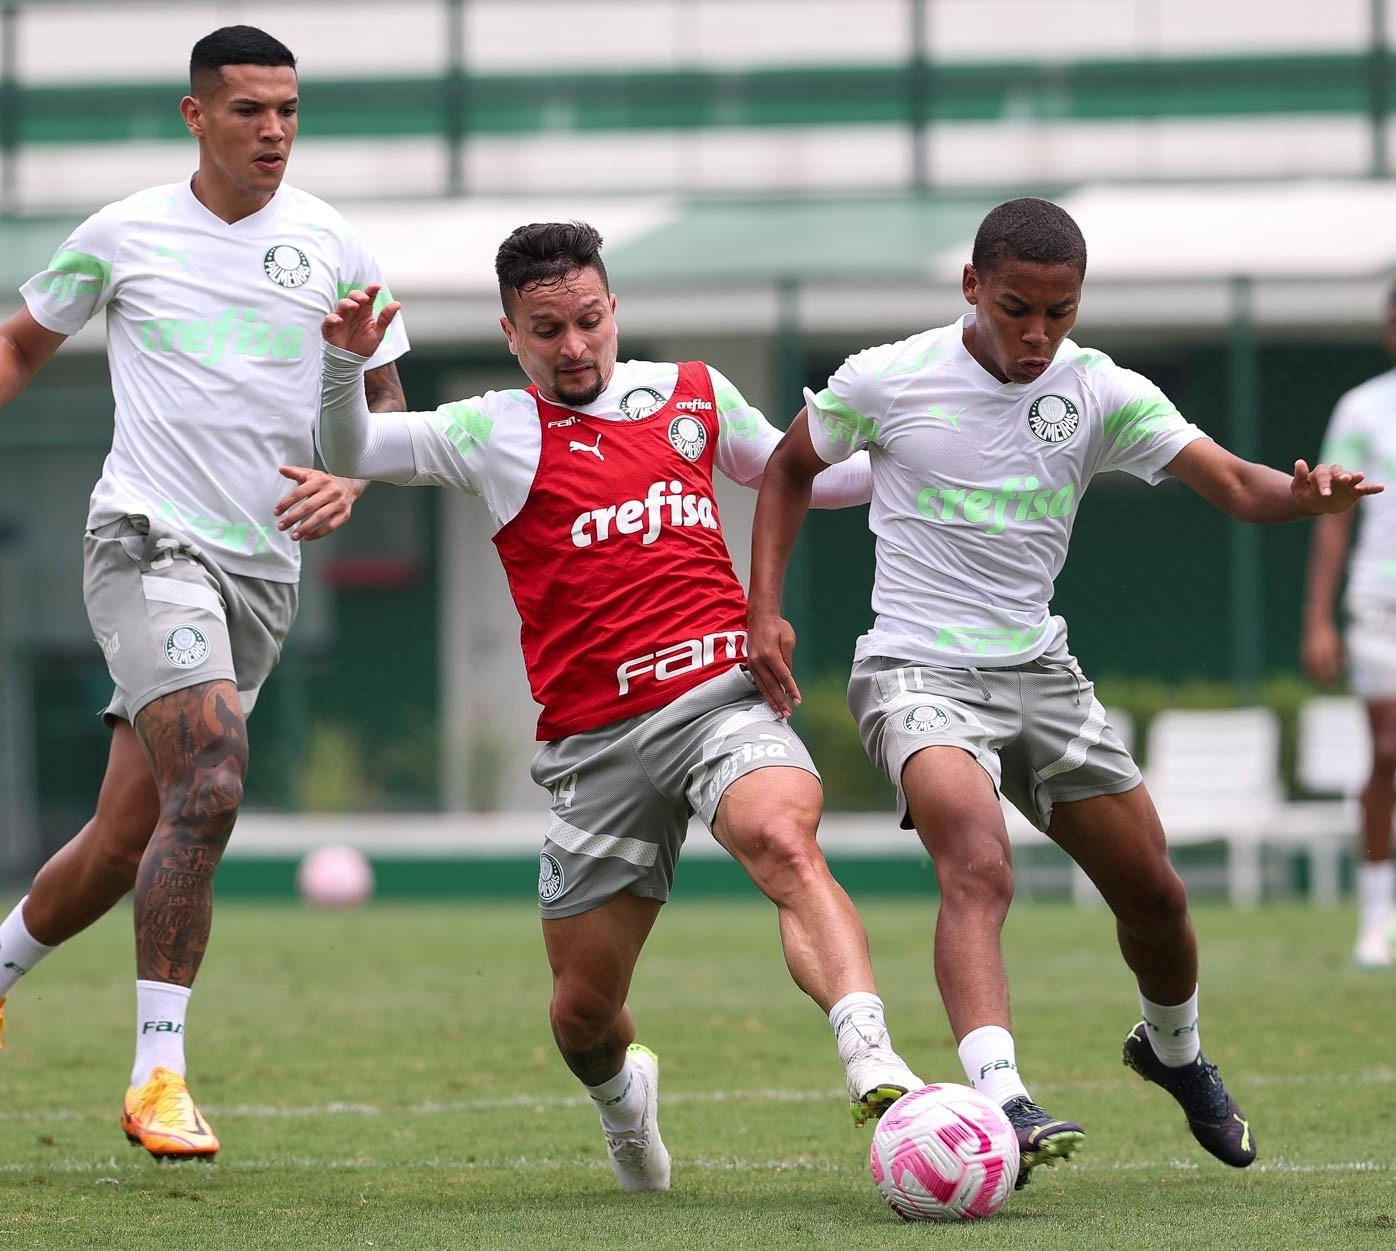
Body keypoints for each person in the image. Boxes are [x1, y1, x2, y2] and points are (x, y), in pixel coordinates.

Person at [745, 197, 1379, 1188]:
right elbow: (788, 468)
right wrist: (765, 611)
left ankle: (1172, 1053)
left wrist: (1301, 496)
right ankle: (1001, 1097)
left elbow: (1238, 485)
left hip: (1039, 670)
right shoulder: (889, 377)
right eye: (1015, 309)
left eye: (1060, 312)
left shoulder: (1098, 391)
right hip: (915, 668)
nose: (1037, 334)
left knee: (1156, 898)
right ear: (970, 288)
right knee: (978, 856)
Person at [317, 221, 923, 1192]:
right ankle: (621, 1102)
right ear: (512, 334)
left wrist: (915, 442)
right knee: (582, 1016)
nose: (573, 347)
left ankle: (873, 1059)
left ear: (614, 313)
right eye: (546, 329)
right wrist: (340, 371)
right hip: (595, 745)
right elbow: (356, 445)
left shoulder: (693, 394)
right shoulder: (492, 430)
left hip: (719, 696)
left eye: (588, 322)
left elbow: (805, 474)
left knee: (782, 840)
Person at [0, 25, 409, 1160]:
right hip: (145, 539)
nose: (275, 130)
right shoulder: (125, 233)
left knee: (127, 829)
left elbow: (383, 397)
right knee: (220, 773)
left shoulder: (334, 242)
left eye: (289, 108)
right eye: (249, 110)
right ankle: (158, 1075)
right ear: (197, 117)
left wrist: (351, 473)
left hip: (263, 569)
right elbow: (20, 337)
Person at [1302, 284, 1396, 969]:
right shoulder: (1361, 407)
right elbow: (1334, 516)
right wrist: (1318, 618)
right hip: (1379, 603)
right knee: (1388, 751)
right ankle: (1375, 915)